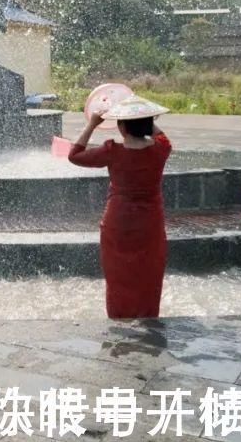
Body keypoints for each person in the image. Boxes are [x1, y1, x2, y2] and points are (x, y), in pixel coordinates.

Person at [68, 95, 172, 319]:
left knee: (118, 277)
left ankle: (118, 320)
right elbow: (159, 134)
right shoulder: (161, 149)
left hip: (118, 223)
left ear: (121, 127)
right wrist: (140, 111)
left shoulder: (112, 151)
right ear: (147, 124)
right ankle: (148, 319)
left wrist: (93, 123)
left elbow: (74, 155)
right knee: (148, 274)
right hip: (150, 224)